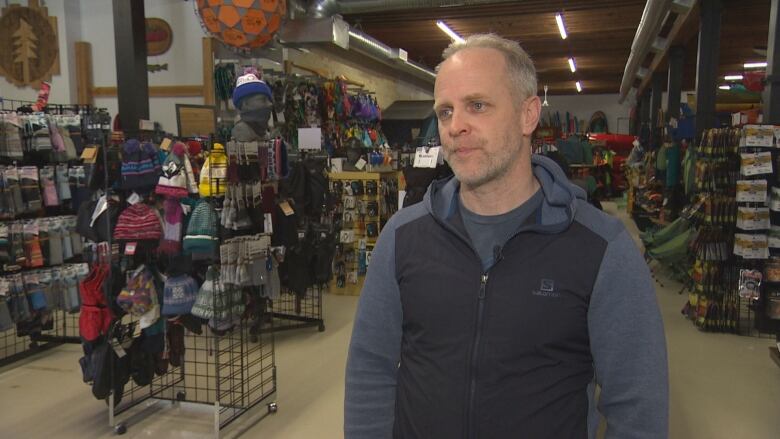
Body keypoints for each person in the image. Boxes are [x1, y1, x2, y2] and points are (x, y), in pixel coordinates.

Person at [344, 33, 668, 438]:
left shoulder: (601, 248)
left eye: (477, 106)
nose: (455, 126)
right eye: (445, 112)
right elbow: (370, 370)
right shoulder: (402, 237)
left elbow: (636, 406)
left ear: (528, 115)